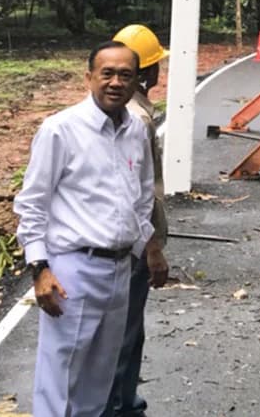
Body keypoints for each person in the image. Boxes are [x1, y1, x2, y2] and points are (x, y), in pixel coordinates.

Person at [14, 41, 155, 417]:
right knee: (60, 379)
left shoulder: (136, 130)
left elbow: (143, 195)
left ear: (136, 81)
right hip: (73, 270)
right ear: (89, 76)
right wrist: (39, 268)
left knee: (99, 380)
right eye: (107, 73)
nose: (116, 82)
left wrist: (139, 249)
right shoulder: (61, 130)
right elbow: (32, 203)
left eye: (125, 75)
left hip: (120, 269)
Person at [105, 25, 171, 417]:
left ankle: (124, 400)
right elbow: (142, 191)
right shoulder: (137, 119)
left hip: (128, 240)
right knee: (125, 331)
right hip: (135, 243)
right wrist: (154, 247)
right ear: (146, 72)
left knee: (128, 329)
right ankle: (119, 404)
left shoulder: (126, 112)